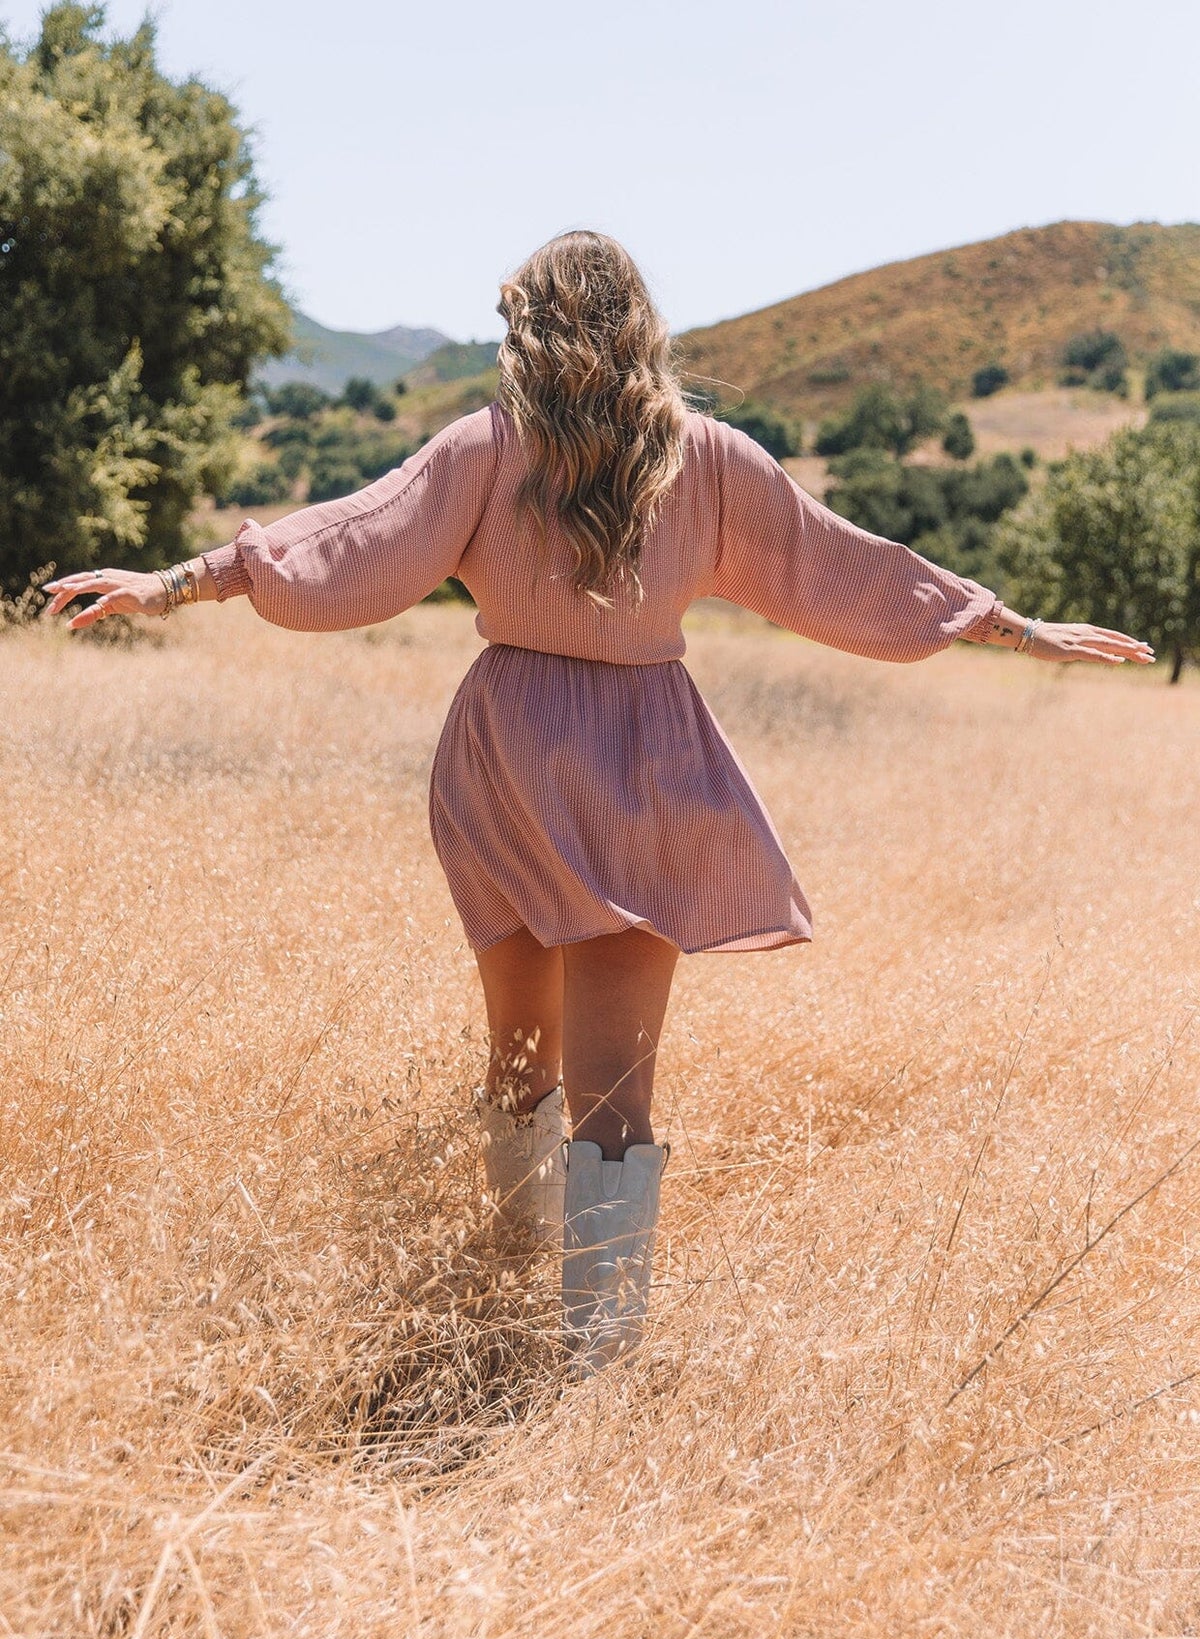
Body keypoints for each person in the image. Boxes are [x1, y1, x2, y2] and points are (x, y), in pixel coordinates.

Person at [43, 231, 1154, 1376]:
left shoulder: (488, 447)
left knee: (519, 1059)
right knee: (616, 1094)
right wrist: (1013, 627)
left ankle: (508, 1299)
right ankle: (592, 1367)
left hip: (506, 765)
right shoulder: (708, 460)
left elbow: (349, 542)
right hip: (644, 773)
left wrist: (178, 582)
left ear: (529, 327)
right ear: (641, 325)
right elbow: (843, 566)